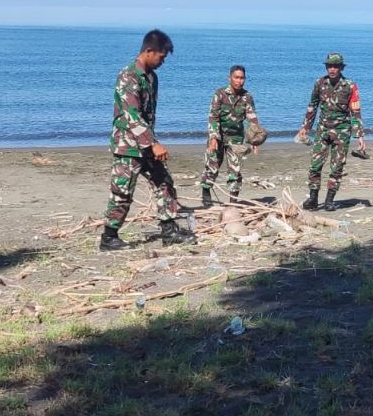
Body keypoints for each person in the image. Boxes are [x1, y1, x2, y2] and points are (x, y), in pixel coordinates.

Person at [101, 29, 196, 251]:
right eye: (161, 57)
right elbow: (132, 115)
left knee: (164, 182)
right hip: (128, 145)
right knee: (123, 192)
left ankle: (169, 230)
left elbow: (147, 116)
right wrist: (152, 143)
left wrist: (151, 142)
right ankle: (109, 237)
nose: (162, 61)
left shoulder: (151, 77)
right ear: (148, 51)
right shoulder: (128, 76)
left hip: (145, 144)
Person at [296, 52, 365, 211]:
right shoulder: (319, 83)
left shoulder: (350, 85)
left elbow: (355, 110)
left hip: (342, 131)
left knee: (337, 167)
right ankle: (313, 199)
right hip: (322, 130)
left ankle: (329, 201)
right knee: (315, 166)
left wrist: (359, 135)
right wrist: (305, 127)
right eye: (329, 66)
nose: (332, 69)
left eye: (335, 66)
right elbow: (312, 106)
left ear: (341, 67)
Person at [200, 65, 261, 207]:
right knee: (212, 167)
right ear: (230, 78)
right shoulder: (220, 94)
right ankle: (206, 193)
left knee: (235, 170)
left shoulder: (247, 97)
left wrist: (254, 140)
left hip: (236, 138)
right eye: (236, 77)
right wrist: (213, 137)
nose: (239, 81)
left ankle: (233, 203)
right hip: (218, 136)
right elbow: (213, 117)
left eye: (242, 78)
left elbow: (252, 119)